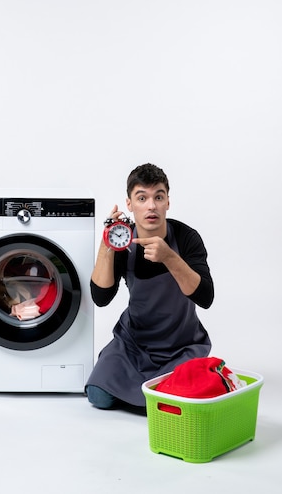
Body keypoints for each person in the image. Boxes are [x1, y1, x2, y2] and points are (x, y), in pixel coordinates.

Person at [85, 163, 214, 412]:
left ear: (168, 202)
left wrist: (169, 257)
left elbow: (206, 297)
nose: (151, 206)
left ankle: (148, 396)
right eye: (142, 198)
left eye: (158, 197)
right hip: (133, 344)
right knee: (98, 396)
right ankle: (150, 398)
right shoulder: (124, 240)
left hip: (182, 345)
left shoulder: (187, 238)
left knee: (178, 400)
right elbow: (100, 297)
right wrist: (108, 243)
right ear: (130, 204)